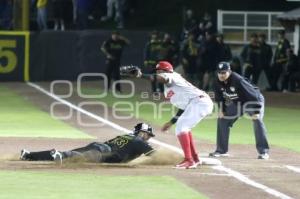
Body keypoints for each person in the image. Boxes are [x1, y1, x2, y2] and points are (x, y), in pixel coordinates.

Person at [134, 61, 213, 169]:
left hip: (200, 102)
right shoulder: (171, 86)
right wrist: (171, 122)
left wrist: (141, 75)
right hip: (197, 102)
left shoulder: (171, 76)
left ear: (165, 71)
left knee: (182, 127)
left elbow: (161, 78)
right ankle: (194, 158)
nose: (157, 73)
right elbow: (183, 107)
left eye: (158, 71)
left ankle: (189, 160)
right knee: (184, 127)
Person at [209, 62, 270, 159]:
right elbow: (219, 97)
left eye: (224, 73)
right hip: (237, 103)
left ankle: (263, 152)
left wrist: (256, 112)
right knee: (222, 119)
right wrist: (222, 110)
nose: (221, 75)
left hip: (252, 102)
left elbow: (254, 96)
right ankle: (221, 150)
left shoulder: (238, 80)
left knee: (257, 120)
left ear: (229, 71)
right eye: (219, 72)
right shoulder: (216, 81)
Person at [20, 123, 155, 164]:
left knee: (68, 154)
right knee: (74, 156)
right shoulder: (139, 141)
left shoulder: (126, 136)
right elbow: (154, 155)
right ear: (142, 133)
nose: (148, 138)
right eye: (148, 135)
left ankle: (29, 155)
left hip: (99, 146)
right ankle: (61, 156)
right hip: (104, 152)